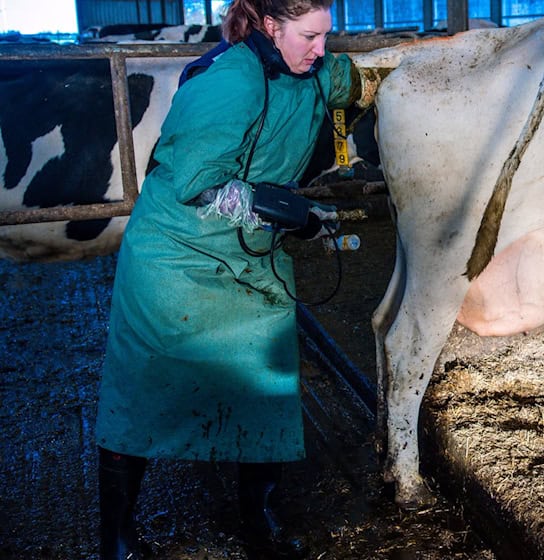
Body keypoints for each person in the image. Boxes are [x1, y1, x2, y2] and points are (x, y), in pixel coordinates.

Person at [93, 0, 382, 558]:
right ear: (271, 26)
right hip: (177, 255)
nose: (322, 50)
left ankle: (259, 518)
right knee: (143, 389)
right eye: (309, 37)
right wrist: (283, 210)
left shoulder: (317, 69)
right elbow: (195, 182)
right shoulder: (229, 82)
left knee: (267, 380)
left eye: (328, 36)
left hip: (249, 256)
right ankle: (117, 537)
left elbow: (360, 79)